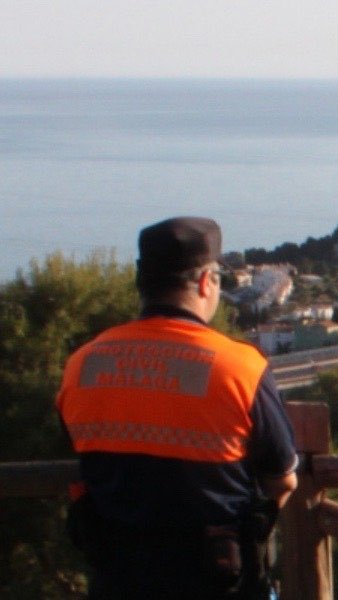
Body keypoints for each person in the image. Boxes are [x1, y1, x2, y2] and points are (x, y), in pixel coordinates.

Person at [56, 217, 299, 599]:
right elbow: (282, 479)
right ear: (206, 282)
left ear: (142, 284)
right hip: (218, 581)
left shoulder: (81, 365)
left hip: (116, 580)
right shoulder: (240, 368)